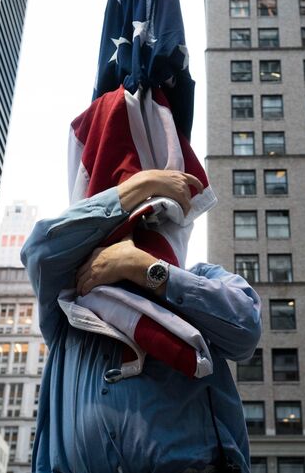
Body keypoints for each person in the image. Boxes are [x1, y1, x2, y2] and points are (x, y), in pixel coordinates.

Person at [21, 169, 262, 473]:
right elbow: (40, 247)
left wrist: (142, 268)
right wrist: (141, 184)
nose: (141, 228)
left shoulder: (199, 279)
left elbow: (245, 327)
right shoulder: (69, 296)